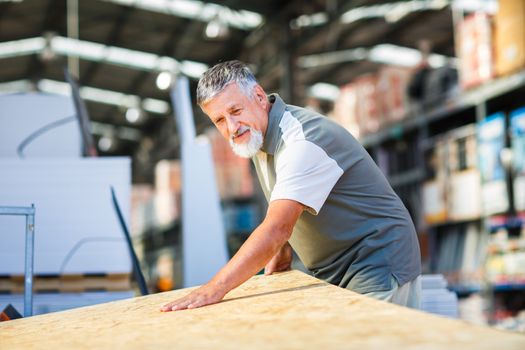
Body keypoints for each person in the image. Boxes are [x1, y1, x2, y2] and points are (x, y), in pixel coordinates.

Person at [160, 60, 421, 312]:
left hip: (376, 261)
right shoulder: (258, 138)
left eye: (235, 111)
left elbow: (276, 228)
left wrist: (214, 288)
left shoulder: (301, 143)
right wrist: (284, 247)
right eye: (219, 120)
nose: (231, 127)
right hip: (340, 267)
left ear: (260, 97)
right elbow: (290, 200)